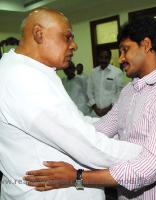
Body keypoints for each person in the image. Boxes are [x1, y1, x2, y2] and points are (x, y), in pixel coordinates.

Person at [25, 17, 156, 199]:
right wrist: (51, 127)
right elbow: (100, 131)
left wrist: (77, 178)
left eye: (125, 50)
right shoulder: (130, 91)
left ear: (146, 45)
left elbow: (145, 170)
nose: (120, 58)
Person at [0, 8, 145, 200]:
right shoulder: (22, 78)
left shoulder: (31, 71)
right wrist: (151, 155)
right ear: (39, 34)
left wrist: (122, 127)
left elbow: (76, 121)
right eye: (67, 37)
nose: (74, 45)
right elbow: (88, 145)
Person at [87, 48, 124, 117]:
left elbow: (119, 92)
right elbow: (89, 91)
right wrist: (95, 107)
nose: (103, 60)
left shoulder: (117, 72)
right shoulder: (93, 72)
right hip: (95, 113)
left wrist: (109, 108)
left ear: (110, 58)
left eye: (106, 57)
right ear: (98, 58)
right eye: (101, 57)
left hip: (111, 112)